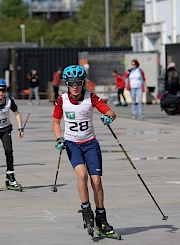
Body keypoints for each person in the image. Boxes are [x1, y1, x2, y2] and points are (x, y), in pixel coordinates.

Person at [52, 65, 117, 236]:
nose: (75, 86)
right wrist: (59, 138)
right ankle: (86, 211)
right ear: (66, 83)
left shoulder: (91, 98)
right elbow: (56, 123)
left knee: (96, 181)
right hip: (73, 144)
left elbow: (110, 112)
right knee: (82, 175)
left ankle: (101, 219)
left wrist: (108, 117)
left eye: (78, 82)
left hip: (90, 144)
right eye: (71, 83)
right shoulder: (62, 100)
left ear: (83, 83)